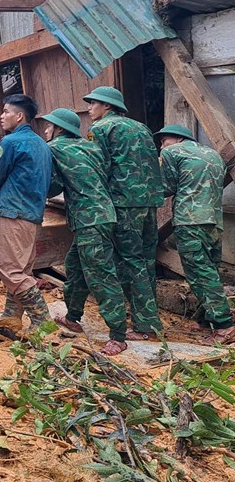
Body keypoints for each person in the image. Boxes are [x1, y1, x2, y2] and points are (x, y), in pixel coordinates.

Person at [38, 108, 128, 356]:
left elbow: (53, 184)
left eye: (49, 127)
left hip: (89, 218)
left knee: (100, 275)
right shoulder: (92, 147)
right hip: (104, 214)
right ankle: (72, 317)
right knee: (75, 267)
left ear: (58, 129)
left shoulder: (54, 148)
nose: (46, 131)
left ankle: (118, 336)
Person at [84, 86, 164, 340]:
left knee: (130, 262)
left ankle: (146, 326)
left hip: (123, 203)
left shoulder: (100, 129)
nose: (89, 108)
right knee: (145, 260)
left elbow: (97, 168)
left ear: (107, 106)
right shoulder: (141, 127)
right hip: (149, 202)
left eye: (93, 103)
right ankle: (149, 317)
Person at [0, 94, 53, 332]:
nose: (2, 116)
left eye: (6, 111)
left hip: (14, 211)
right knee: (22, 268)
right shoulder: (42, 144)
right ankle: (12, 314)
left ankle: (43, 322)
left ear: (19, 116)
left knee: (9, 268)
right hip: (33, 213)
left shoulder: (10, 142)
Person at [155, 124, 235, 344]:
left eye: (164, 140)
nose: (161, 146)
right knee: (209, 270)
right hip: (214, 222)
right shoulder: (212, 155)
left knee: (199, 273)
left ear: (179, 139)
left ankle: (224, 326)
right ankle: (205, 318)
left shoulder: (172, 152)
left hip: (190, 221)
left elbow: (166, 187)